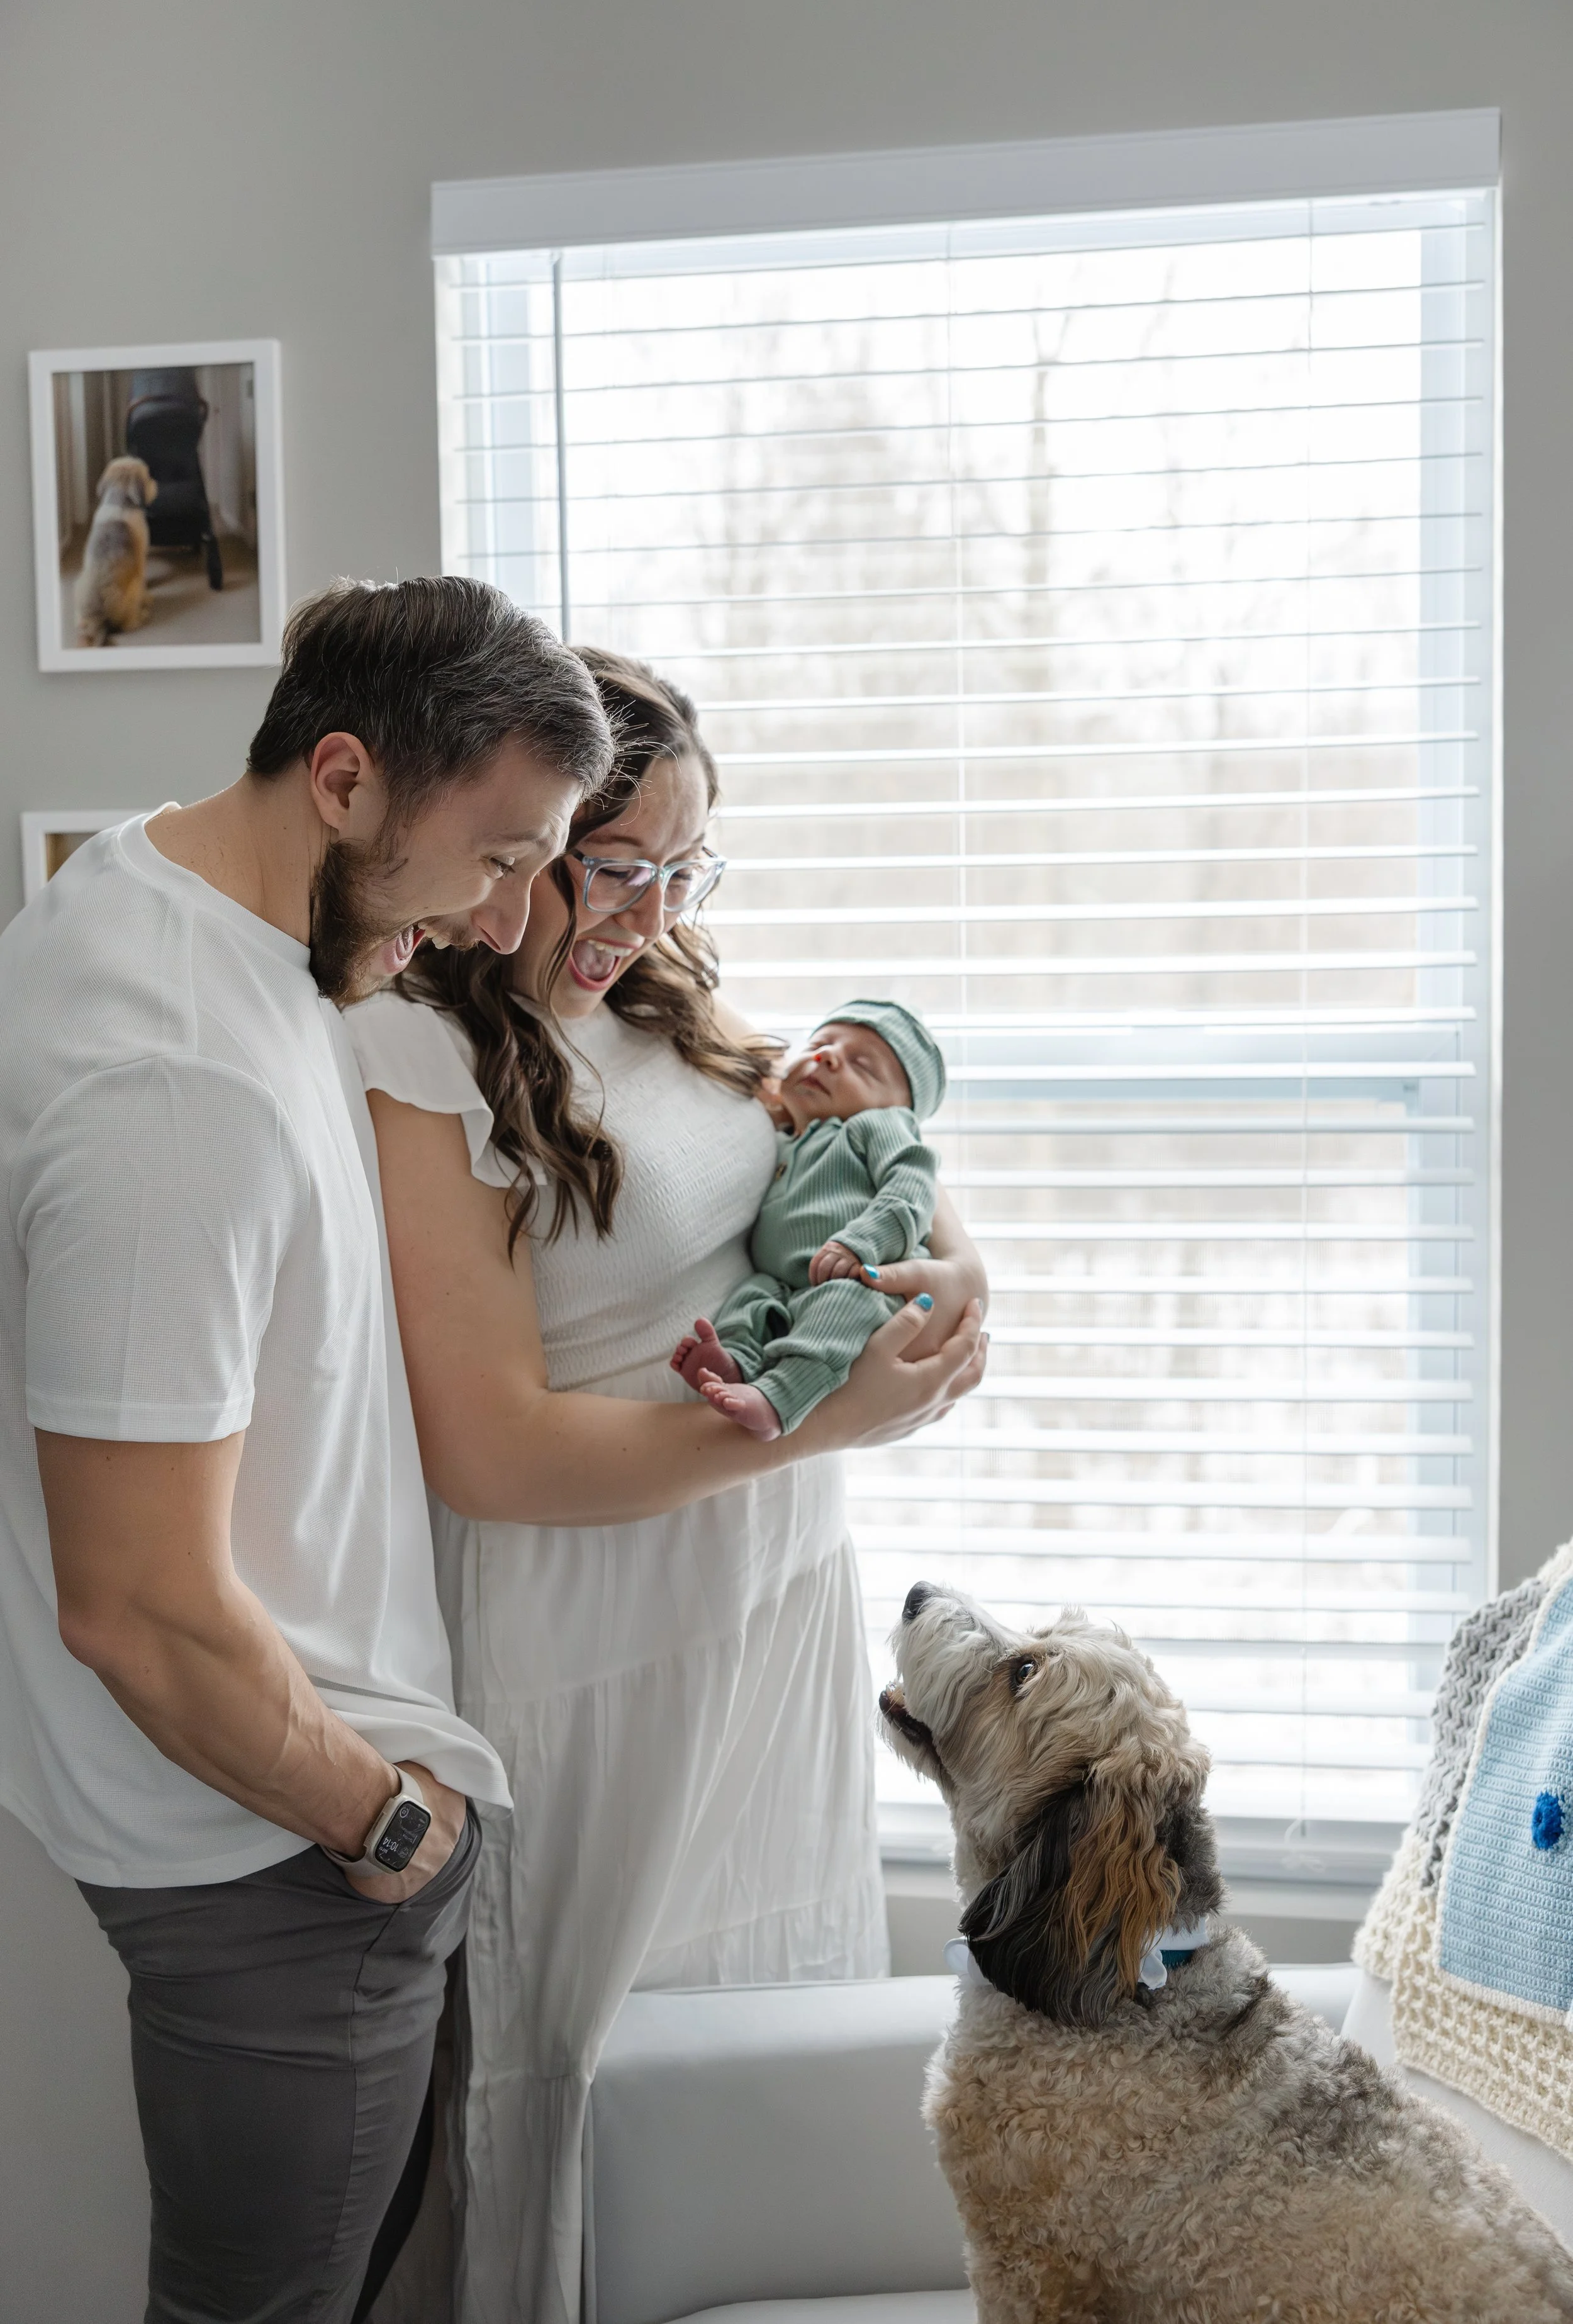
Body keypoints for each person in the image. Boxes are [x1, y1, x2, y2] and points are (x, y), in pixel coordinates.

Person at [345, 648, 988, 2324]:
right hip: (588, 1627)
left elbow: (840, 1150)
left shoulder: (659, 993)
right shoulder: (424, 1057)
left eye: (685, 866)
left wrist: (946, 1264)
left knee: (758, 2052)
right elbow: (486, 1441)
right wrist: (815, 1424)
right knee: (590, 2070)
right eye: (615, 863)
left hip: (764, 1605)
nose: (651, 905)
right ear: (519, 831)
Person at [0, 576, 614, 2324]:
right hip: (278, 1855)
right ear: (340, 778)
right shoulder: (171, 1079)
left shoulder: (153, 891)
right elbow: (134, 1600)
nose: (509, 920)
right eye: (496, 857)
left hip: (279, 1826)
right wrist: (388, 1823)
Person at [676, 999, 948, 1439]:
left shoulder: (876, 1127)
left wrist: (863, 1242)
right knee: (749, 1302)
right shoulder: (787, 1139)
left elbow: (913, 1186)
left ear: (902, 1107)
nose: (827, 1056)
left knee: (842, 1310)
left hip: (857, 1278)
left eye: (863, 1065)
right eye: (820, 1043)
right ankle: (736, 1364)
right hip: (781, 1282)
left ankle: (780, 1398)